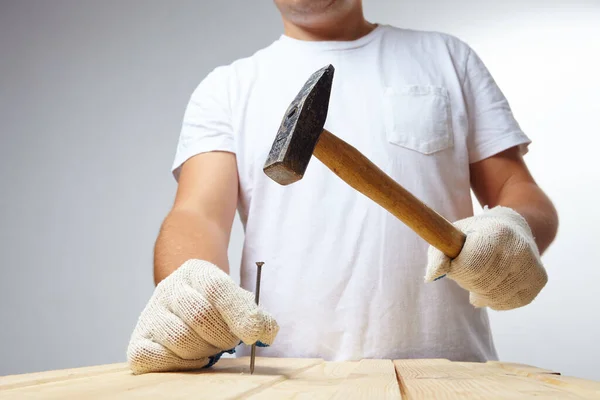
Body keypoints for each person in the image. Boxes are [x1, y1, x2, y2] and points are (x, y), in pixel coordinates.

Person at [126, 0, 558, 374]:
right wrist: (189, 287)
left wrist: (514, 230)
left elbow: (519, 192)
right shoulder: (228, 87)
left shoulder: (447, 57)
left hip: (448, 373)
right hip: (282, 378)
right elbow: (196, 214)